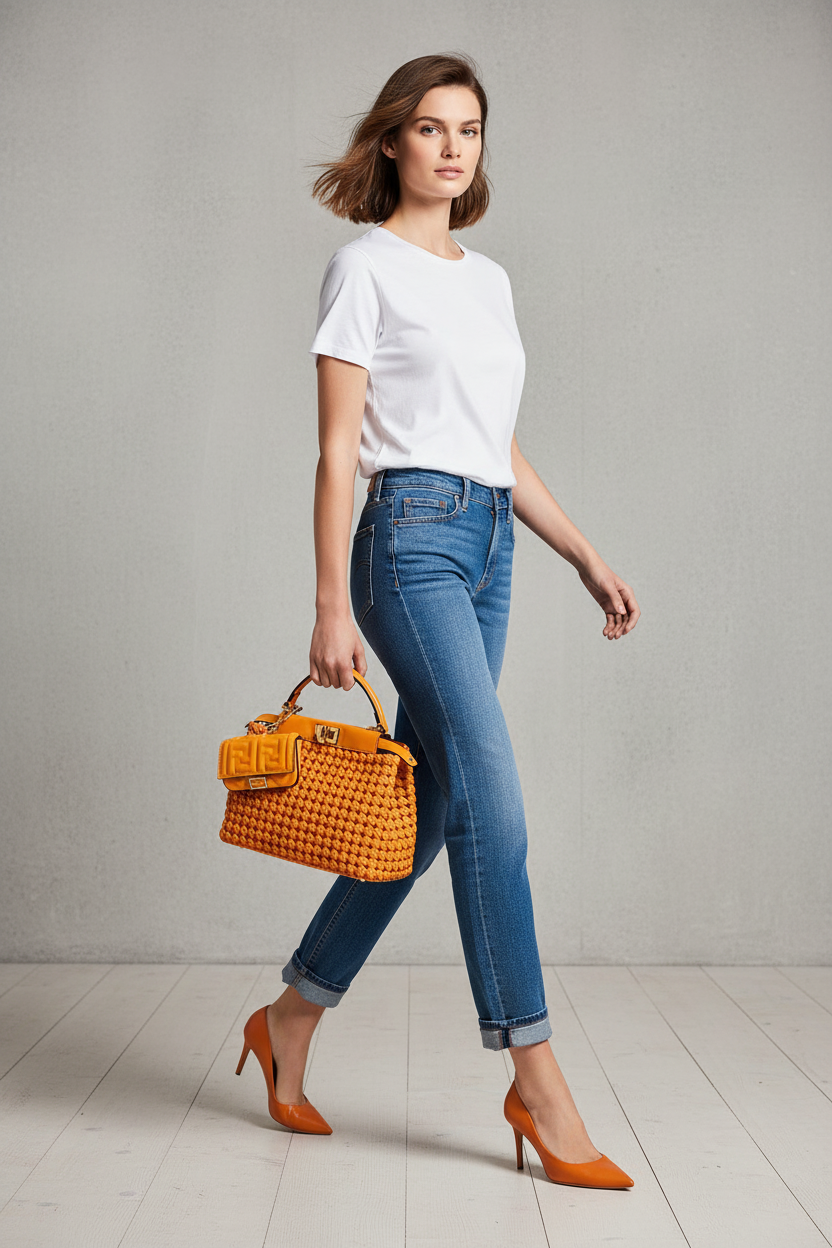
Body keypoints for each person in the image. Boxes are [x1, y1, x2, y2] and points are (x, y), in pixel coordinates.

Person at [236, 53, 641, 1188]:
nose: (454, 147)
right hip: (405, 540)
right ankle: (535, 1073)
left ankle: (291, 1017)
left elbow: (491, 446)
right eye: (430, 127)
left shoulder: (489, 281)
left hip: (490, 546)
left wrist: (583, 555)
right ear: (392, 145)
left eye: (469, 129)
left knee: (432, 805)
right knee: (491, 801)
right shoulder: (361, 267)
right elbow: (334, 449)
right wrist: (328, 603)